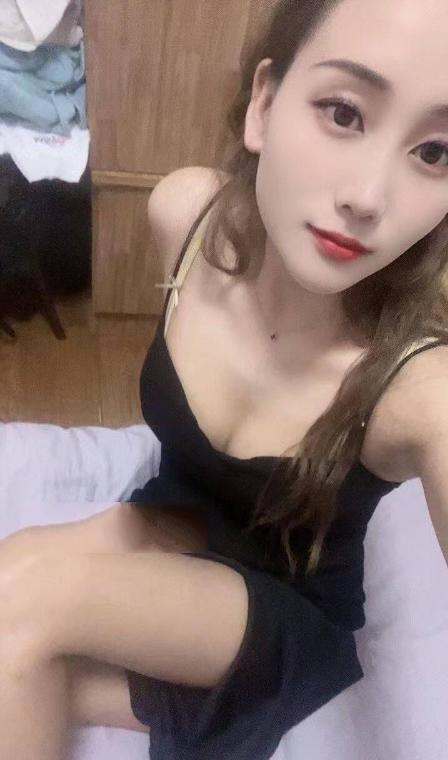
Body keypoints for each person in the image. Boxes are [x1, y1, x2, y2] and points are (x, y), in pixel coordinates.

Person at [2, 2, 448, 759]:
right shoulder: (185, 215)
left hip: (282, 608)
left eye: (435, 152)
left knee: (25, 609)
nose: (369, 197)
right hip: (178, 518)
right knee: (11, 583)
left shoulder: (417, 390)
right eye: (344, 112)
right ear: (264, 105)